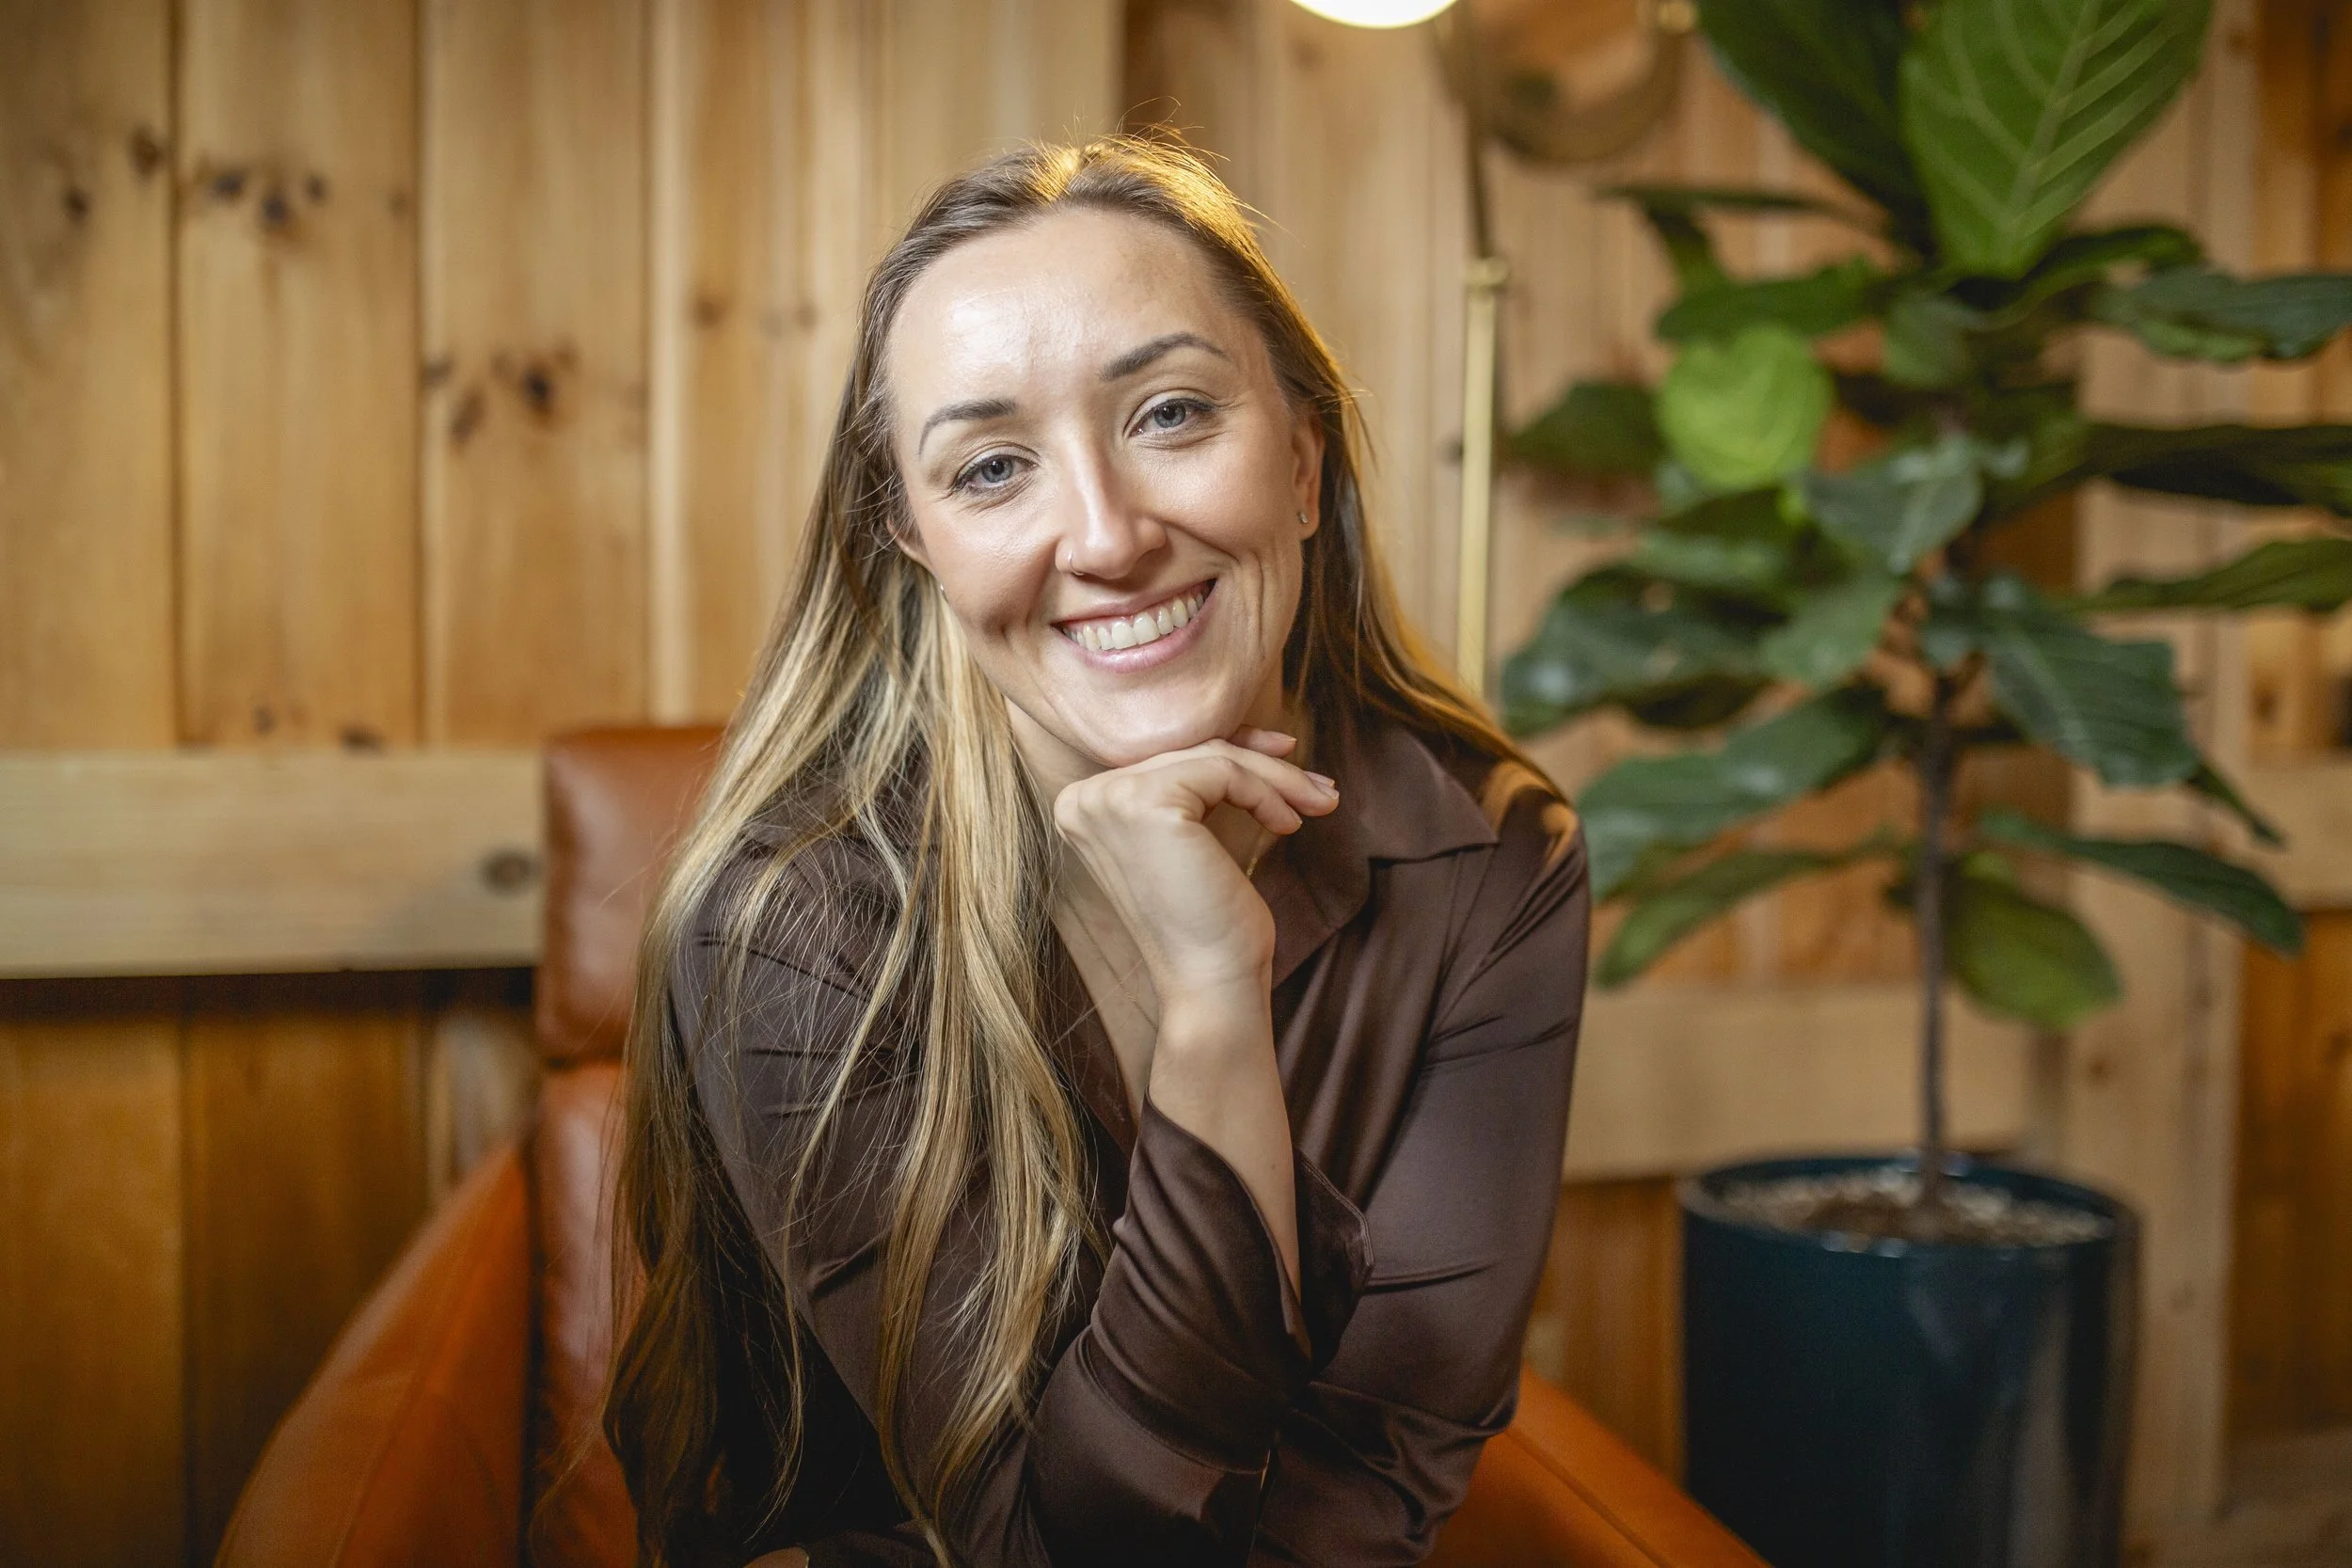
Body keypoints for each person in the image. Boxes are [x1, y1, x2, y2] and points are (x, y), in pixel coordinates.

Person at [606, 136, 1590, 1568]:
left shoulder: (1489, 860)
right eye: (993, 466)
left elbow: (1373, 1483)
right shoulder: (790, 912)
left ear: (1304, 462)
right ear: (917, 543)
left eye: (1173, 413)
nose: (1109, 535)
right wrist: (1212, 1001)